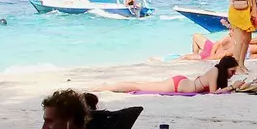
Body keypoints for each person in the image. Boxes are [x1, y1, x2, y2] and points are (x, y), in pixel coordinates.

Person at [97, 58, 242, 95]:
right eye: (232, 71)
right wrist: (232, 87)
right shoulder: (215, 71)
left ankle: (110, 86)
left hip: (182, 83)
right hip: (177, 85)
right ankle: (108, 87)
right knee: (139, 85)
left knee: (142, 84)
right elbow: (213, 93)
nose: (232, 74)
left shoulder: (218, 74)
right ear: (225, 68)